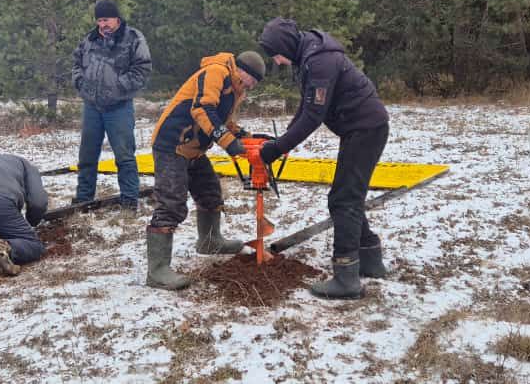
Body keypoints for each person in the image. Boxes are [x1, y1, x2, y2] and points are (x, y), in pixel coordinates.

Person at [257, 18, 390, 300]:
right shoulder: (309, 56)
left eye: (276, 54)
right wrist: (282, 141)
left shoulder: (320, 62)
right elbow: (305, 109)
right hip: (360, 129)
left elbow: (313, 116)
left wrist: (277, 148)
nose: (278, 62)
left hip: (365, 129)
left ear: (285, 46)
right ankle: (370, 259)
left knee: (343, 200)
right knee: (348, 196)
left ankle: (346, 279)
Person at [145, 51, 265, 290]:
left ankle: (210, 242)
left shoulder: (234, 89)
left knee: (210, 194)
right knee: (171, 203)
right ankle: (157, 271)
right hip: (172, 145)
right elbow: (203, 110)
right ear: (241, 70)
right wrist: (230, 144)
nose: (250, 86)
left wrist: (246, 138)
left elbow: (223, 121)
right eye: (251, 80)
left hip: (194, 149)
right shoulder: (216, 72)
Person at [71, 0, 151, 212]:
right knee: (87, 156)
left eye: (105, 19)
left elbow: (142, 69)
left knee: (124, 156)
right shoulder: (89, 39)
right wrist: (80, 82)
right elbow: (76, 63)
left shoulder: (133, 38)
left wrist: (119, 87)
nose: (102, 24)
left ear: (116, 18)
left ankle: (129, 201)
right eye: (99, 20)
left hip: (119, 107)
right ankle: (83, 199)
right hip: (92, 107)